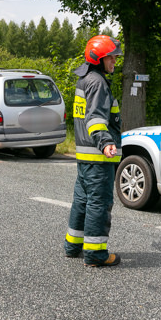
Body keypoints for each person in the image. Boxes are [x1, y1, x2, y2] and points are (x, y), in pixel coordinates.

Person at [65, 35, 123, 267]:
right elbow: (95, 118)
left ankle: (73, 246)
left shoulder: (84, 79)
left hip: (84, 156)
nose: (115, 62)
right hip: (98, 157)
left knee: (82, 201)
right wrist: (106, 142)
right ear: (99, 58)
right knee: (99, 204)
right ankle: (96, 254)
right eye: (112, 57)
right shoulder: (98, 82)